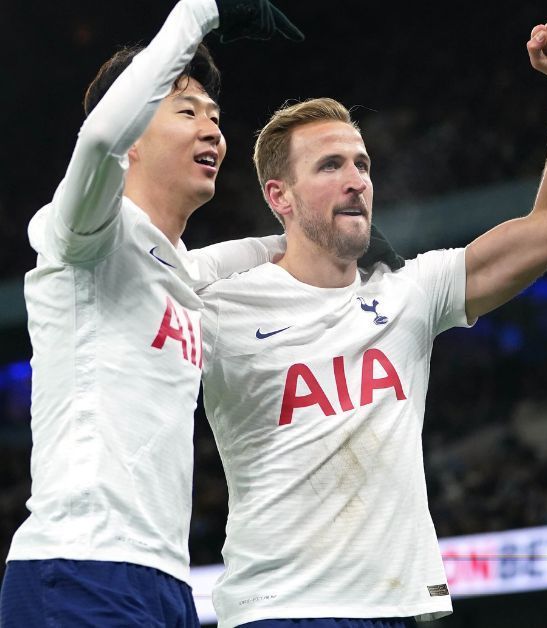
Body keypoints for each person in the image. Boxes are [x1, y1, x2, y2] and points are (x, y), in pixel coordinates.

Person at [197, 20, 547, 628]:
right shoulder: (221, 308)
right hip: (282, 612)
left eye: (362, 163)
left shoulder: (411, 292)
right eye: (330, 165)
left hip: (397, 610)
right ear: (280, 197)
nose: (356, 180)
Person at [0, 1, 303, 625]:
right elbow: (102, 137)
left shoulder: (177, 271)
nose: (213, 130)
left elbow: (230, 261)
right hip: (79, 568)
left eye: (216, 117)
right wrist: (199, 14)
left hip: (165, 582)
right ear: (137, 130)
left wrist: (315, 229)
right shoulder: (83, 236)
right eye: (186, 111)